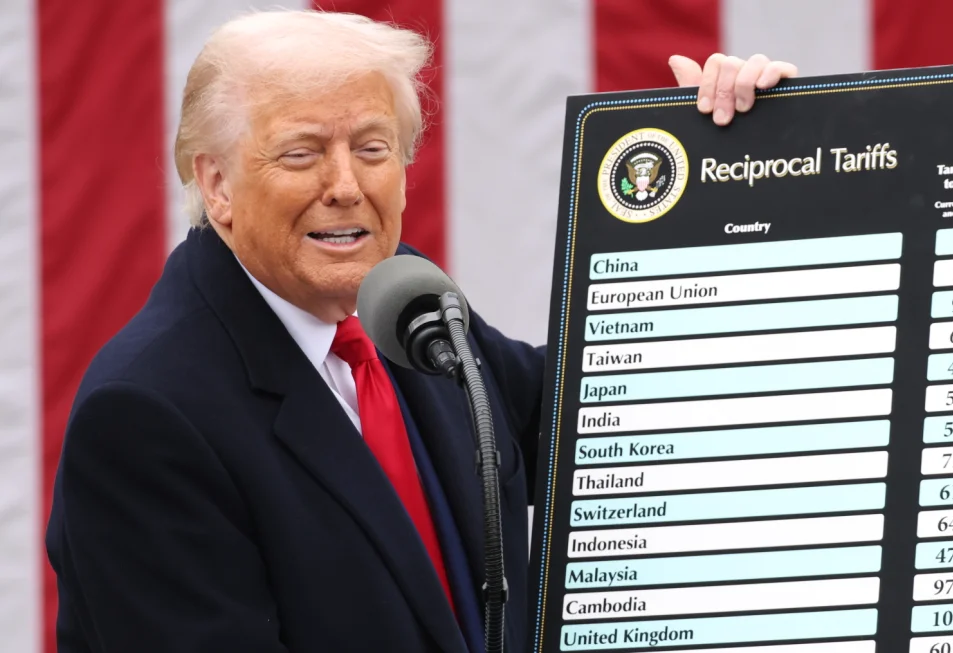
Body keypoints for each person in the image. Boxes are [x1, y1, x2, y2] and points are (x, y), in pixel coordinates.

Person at [44, 9, 798, 653]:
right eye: (302, 152)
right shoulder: (145, 417)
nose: (345, 186)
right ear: (216, 184)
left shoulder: (400, 301)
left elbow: (604, 425)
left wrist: (730, 171)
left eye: (372, 148)